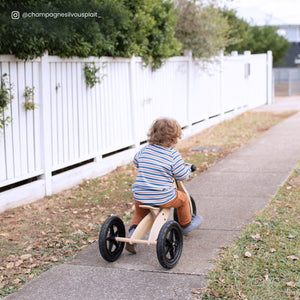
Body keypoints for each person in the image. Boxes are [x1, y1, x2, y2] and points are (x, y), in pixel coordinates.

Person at [126, 117, 202, 254]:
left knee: (140, 212)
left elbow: (136, 162)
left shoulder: (145, 150)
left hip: (141, 195)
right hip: (163, 196)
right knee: (183, 199)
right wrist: (188, 170)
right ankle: (185, 225)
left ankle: (133, 233)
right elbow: (181, 175)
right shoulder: (173, 155)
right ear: (174, 139)